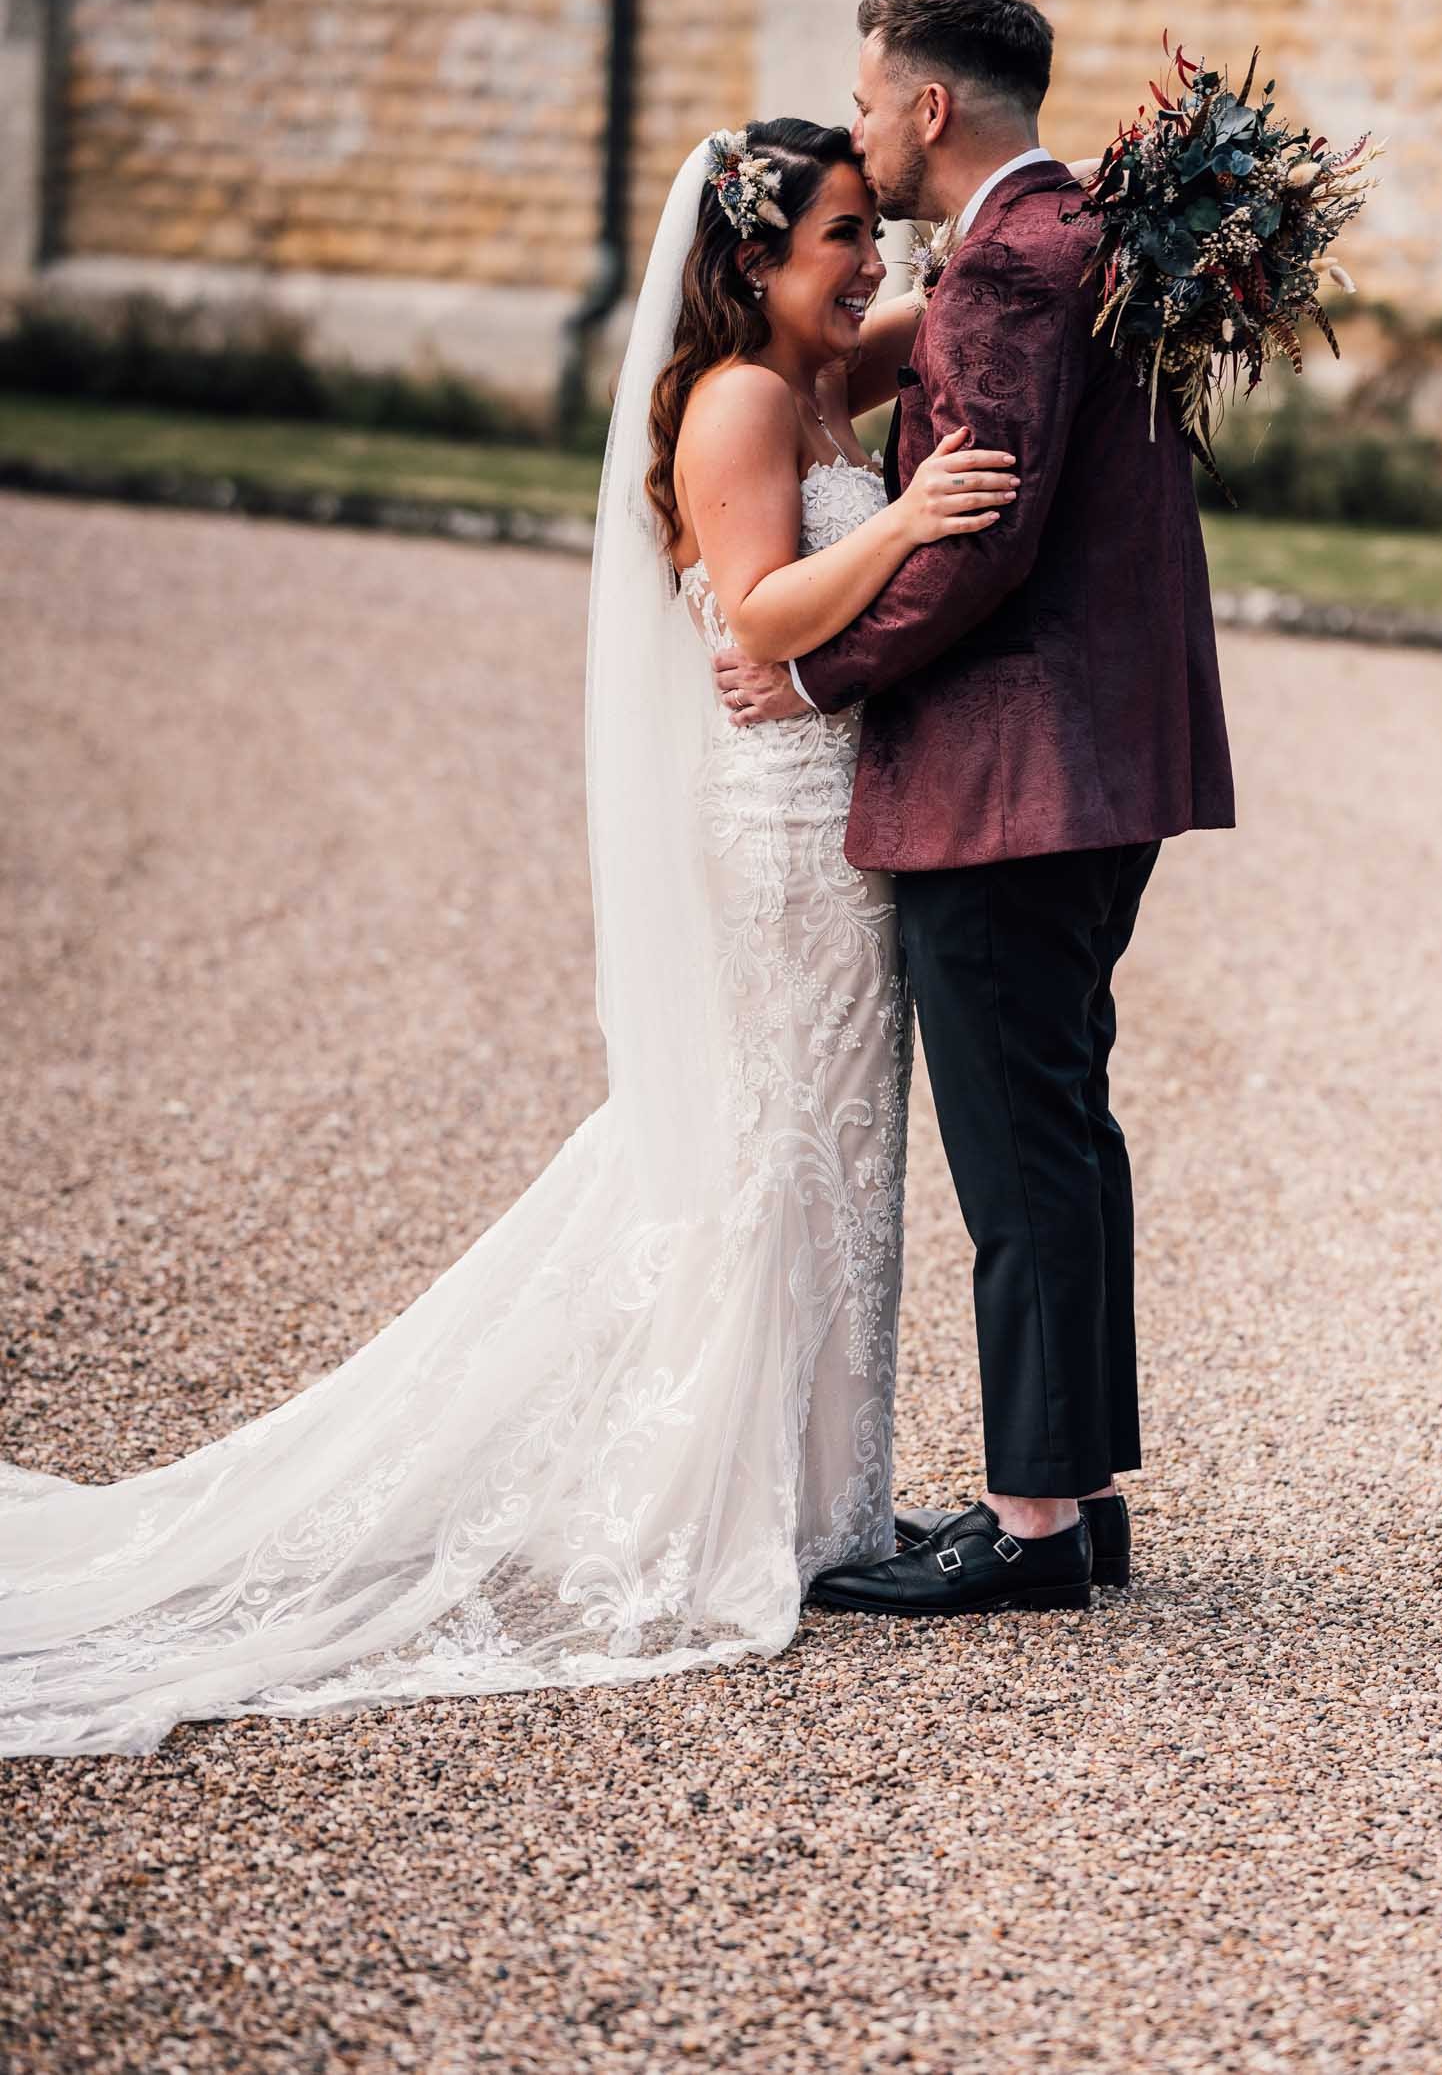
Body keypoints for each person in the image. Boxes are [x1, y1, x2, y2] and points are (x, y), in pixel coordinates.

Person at [0, 117, 1009, 1756]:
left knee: (833, 1157)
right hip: (781, 837)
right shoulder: (746, 401)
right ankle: (751, 1504)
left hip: (838, 824)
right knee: (774, 1154)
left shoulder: (821, 370)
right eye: (841, 234)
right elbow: (752, 616)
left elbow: (969, 308)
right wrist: (906, 523)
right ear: (753, 259)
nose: (871, 262)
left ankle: (830, 1503)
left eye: (870, 234)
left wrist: (1064, 235)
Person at [715, 0, 1236, 1619]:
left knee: (1019, 1151)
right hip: (1106, 763)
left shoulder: (1010, 264)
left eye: (870, 100)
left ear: (928, 107)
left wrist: (811, 676)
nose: (862, 129)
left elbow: (980, 539)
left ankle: (1025, 1528)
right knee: (1064, 1130)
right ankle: (1075, 1497)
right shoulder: (1084, 229)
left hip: (1010, 777)